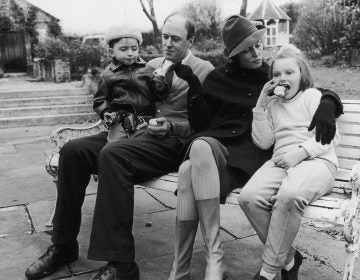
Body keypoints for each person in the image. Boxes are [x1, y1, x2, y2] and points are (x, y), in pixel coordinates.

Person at [24, 13, 214, 280]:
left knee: (113, 155)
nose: (168, 43)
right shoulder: (153, 64)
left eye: (176, 39)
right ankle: (64, 245)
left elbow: (204, 122)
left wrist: (171, 127)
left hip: (170, 142)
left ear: (191, 40)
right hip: (132, 134)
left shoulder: (205, 70)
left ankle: (122, 265)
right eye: (165, 37)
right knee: (73, 151)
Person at [168, 15, 343, 280]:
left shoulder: (271, 72)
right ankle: (198, 264)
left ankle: (226, 266)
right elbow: (200, 122)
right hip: (220, 147)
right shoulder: (217, 78)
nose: (256, 52)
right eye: (246, 49)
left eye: (257, 45)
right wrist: (193, 85)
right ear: (234, 55)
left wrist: (328, 105)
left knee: (188, 169)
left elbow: (309, 88)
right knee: (192, 161)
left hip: (250, 153)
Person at [238, 44, 340, 280]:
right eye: (276, 74)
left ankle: (268, 271)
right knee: (248, 198)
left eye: (289, 72)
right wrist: (260, 106)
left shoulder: (312, 96)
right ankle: (289, 259)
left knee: (289, 195)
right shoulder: (273, 104)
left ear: (301, 74)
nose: (282, 78)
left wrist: (301, 152)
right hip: (282, 161)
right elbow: (263, 142)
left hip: (317, 159)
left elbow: (330, 137)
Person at [93, 25, 164, 142]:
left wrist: (161, 86)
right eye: (124, 49)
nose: (130, 53)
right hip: (120, 122)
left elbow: (158, 96)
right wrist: (106, 112)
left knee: (143, 148)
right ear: (111, 52)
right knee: (114, 149)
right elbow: (99, 100)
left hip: (146, 121)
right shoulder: (107, 75)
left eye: (134, 49)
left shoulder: (148, 69)